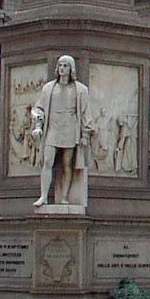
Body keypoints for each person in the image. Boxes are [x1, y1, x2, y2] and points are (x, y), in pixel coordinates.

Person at [31, 55, 93, 207]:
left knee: (67, 164)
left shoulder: (80, 90)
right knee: (47, 161)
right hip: (52, 128)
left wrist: (85, 134)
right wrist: (38, 125)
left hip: (70, 129)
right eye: (60, 65)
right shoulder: (48, 88)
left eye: (65, 66)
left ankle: (64, 197)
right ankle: (44, 196)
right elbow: (39, 108)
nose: (62, 68)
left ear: (71, 69)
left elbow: (85, 112)